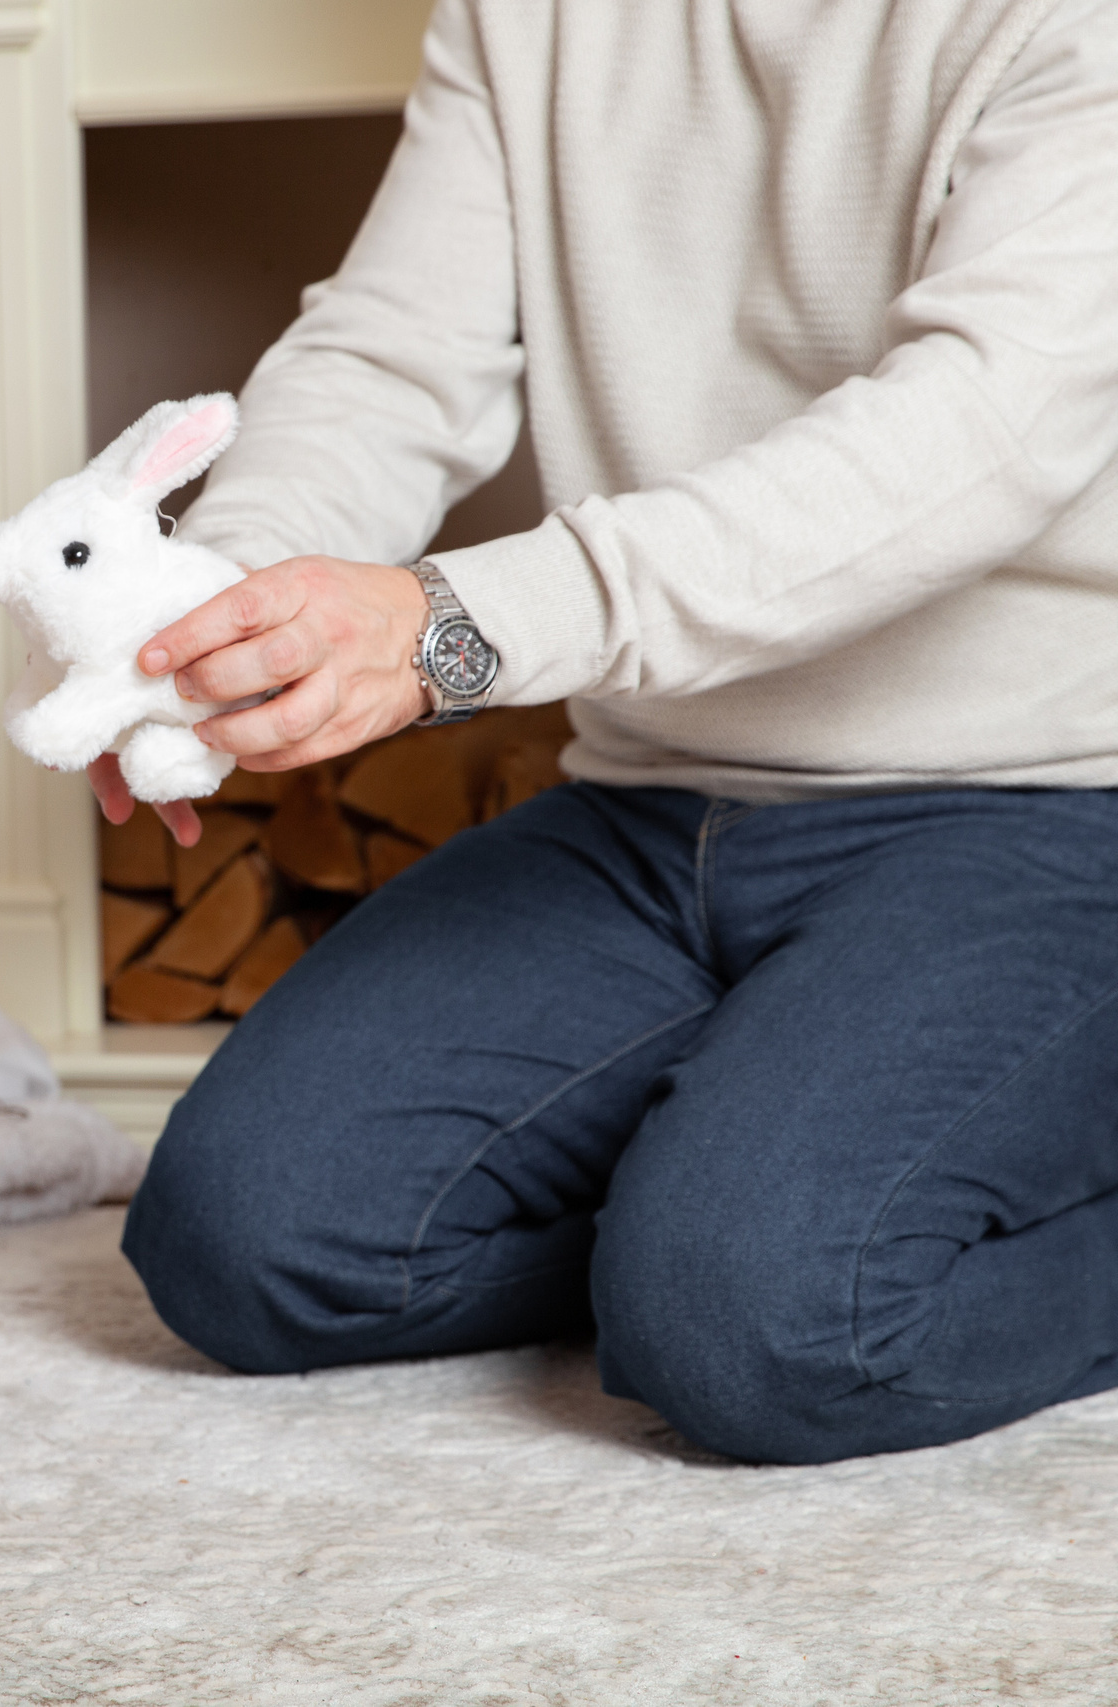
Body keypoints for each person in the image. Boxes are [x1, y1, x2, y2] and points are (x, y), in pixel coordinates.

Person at [116, 0, 1118, 1465]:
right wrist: (226, 611)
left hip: (1040, 806)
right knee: (241, 1241)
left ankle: (736, 1238)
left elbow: (968, 442)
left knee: (763, 1331)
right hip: (651, 807)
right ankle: (722, 1200)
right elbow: (394, 357)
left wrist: (451, 623)